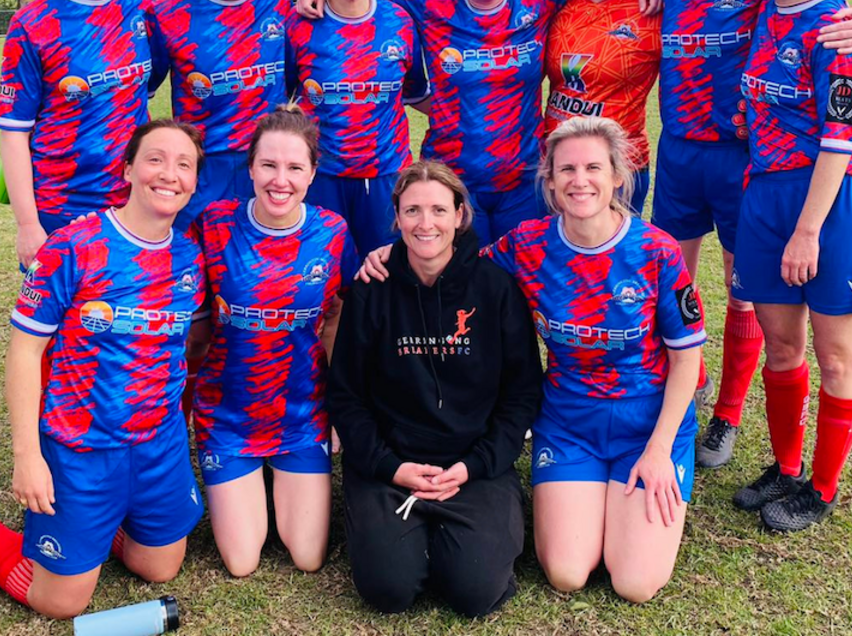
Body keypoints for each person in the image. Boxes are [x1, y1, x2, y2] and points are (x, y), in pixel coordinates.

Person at [645, 0, 852, 468]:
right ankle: (681, 402)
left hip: (745, 159)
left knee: (745, 294)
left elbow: (817, 1)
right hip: (678, 151)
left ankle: (727, 415)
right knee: (672, 286)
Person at [0, 119, 208, 619]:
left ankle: (102, 523)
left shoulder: (189, 258)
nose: (169, 174)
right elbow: (25, 352)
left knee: (160, 569)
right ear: (128, 168)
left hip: (159, 444)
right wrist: (27, 455)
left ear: (196, 182)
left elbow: (190, 348)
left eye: (184, 165)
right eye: (155, 159)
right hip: (81, 448)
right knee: (60, 604)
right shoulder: (74, 246)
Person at [297, 0, 664, 243]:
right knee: (460, 287)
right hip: (454, 180)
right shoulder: (430, 5)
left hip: (523, 180)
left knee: (518, 285)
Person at [483, 117, 704, 601]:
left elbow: (687, 360)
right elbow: (463, 275)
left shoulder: (656, 252)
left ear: (617, 176)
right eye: (566, 170)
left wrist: (659, 449)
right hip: (568, 422)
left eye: (592, 168)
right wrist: (386, 261)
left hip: (646, 424)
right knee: (566, 573)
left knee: (635, 583)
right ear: (550, 180)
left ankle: (633, 490)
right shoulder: (528, 244)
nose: (579, 180)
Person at [730, 0, 852, 533]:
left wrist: (807, 230)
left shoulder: (837, 27)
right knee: (781, 344)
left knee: (833, 353)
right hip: (765, 192)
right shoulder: (764, 7)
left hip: (832, 198)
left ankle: (820, 489)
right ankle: (787, 468)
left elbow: (839, 134)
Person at [328, 160, 543, 617]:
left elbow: (522, 394)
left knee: (475, 592)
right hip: (391, 464)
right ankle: (397, 535)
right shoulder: (373, 287)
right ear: (397, 217)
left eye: (439, 210)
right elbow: (346, 394)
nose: (426, 224)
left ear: (461, 214)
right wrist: (390, 466)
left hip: (471, 465)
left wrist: (475, 465)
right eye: (412, 211)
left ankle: (473, 531)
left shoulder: (495, 288)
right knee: (388, 591)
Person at [191, 104, 357, 576]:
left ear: (312, 173)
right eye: (268, 165)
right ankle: (244, 482)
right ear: (250, 167)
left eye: (294, 167)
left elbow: (338, 315)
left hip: (301, 416)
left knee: (307, 556)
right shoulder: (216, 225)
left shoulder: (332, 231)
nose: (279, 179)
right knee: (242, 562)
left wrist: (340, 408)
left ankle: (281, 479)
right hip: (229, 417)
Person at [0, 0, 166, 269]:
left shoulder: (142, 7)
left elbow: (144, 90)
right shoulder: (32, 25)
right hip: (62, 207)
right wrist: (27, 224)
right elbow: (13, 131)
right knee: (66, 323)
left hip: (133, 200)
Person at [285, 0, 428, 257]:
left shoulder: (400, 22)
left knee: (387, 281)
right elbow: (286, 98)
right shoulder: (300, 23)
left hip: (386, 178)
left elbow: (416, 93)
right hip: (321, 178)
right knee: (324, 282)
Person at [152, 0, 294, 226]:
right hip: (199, 183)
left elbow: (297, 80)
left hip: (268, 179)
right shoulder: (167, 14)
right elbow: (134, 96)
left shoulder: (281, 4)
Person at [544, 0, 660, 216]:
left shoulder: (651, 5)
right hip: (557, 165)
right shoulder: (553, 0)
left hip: (620, 169)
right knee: (556, 264)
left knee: (612, 266)